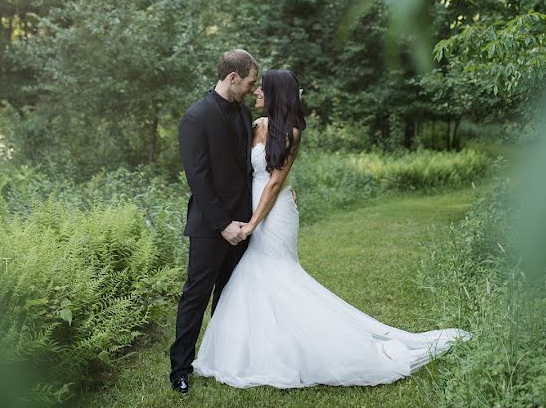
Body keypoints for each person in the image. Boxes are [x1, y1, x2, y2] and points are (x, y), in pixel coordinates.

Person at [191, 68, 471, 389]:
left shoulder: (291, 131)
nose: (255, 92)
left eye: (261, 89)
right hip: (249, 204)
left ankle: (304, 350)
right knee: (254, 275)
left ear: (274, 93)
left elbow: (275, 183)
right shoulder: (254, 125)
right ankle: (259, 351)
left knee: (277, 274)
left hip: (275, 212)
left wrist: (254, 223)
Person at [168, 49, 259, 394]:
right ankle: (180, 368)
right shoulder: (195, 117)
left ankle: (223, 358)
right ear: (233, 77)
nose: (252, 89)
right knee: (196, 295)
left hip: (244, 223)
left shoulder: (244, 112)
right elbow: (199, 178)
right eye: (249, 82)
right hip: (210, 226)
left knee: (231, 294)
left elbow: (250, 169)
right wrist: (223, 224)